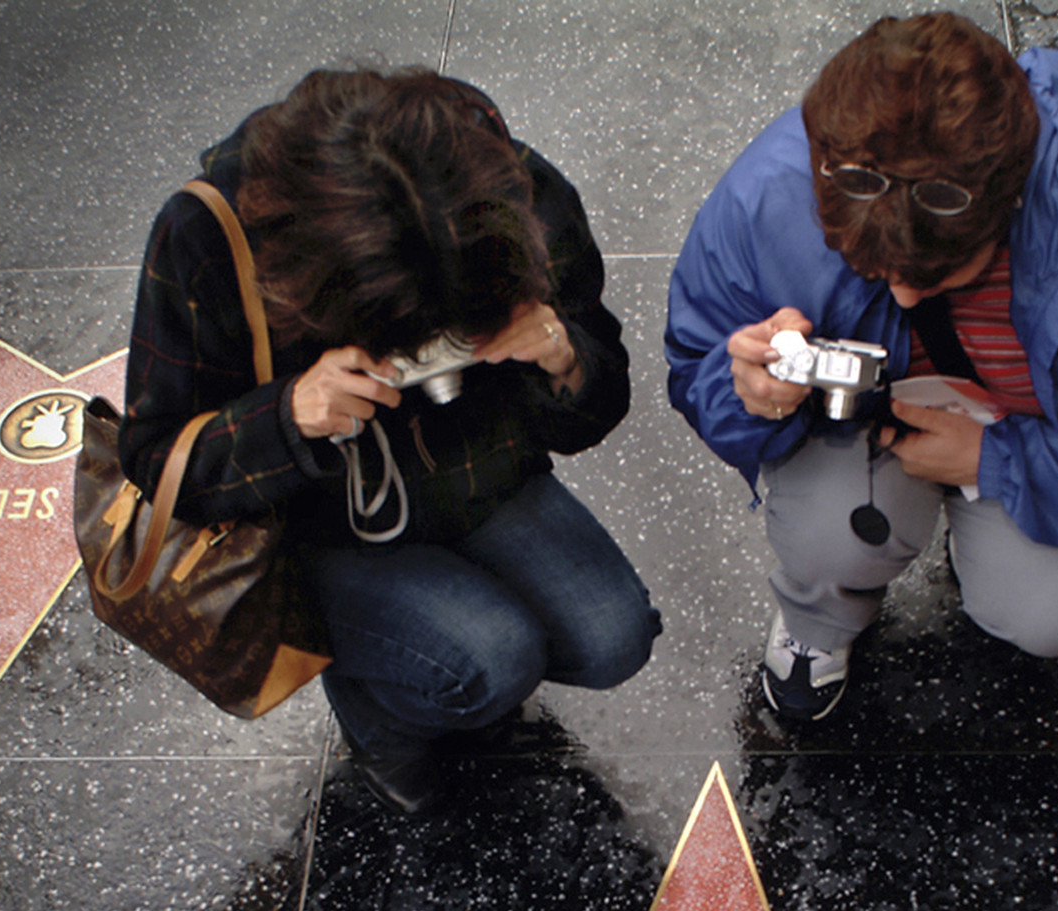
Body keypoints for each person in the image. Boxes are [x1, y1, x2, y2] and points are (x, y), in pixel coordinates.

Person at [665, 12, 1058, 722]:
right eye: (875, 271)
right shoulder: (762, 201)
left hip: (1041, 435)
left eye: (941, 272)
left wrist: (996, 461)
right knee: (828, 544)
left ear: (1010, 201)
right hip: (856, 431)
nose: (906, 294)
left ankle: (995, 541)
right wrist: (747, 394)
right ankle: (819, 624)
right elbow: (695, 362)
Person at [123, 68, 658, 813]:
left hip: (484, 478)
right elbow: (156, 462)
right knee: (491, 660)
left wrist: (563, 357)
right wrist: (288, 417)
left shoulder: (512, 192)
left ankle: (422, 658)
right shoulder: (211, 236)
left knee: (615, 639)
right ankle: (381, 726)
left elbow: (599, 407)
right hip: (315, 525)